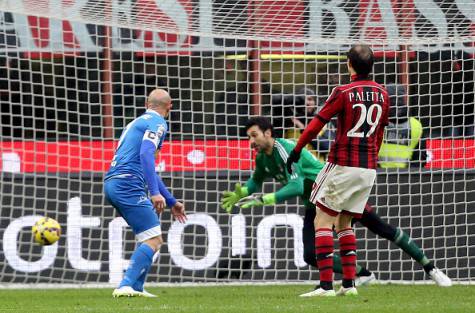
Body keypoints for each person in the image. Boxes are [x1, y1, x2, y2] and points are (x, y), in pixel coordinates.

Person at [221, 117, 451, 294]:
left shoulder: (286, 149)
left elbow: (297, 186)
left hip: (337, 192)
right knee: (311, 254)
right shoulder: (262, 157)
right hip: (315, 203)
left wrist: (265, 199)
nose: (251, 142)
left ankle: (431, 268)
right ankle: (364, 275)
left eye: (253, 136)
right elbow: (257, 179)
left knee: (382, 228)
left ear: (268, 133)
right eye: (248, 137)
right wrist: (243, 191)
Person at [286, 45, 390, 297]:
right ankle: (349, 285)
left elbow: (314, 125)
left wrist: (297, 150)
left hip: (342, 164)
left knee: (322, 219)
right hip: (367, 168)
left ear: (348, 64)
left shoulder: (342, 91)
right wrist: (372, 158)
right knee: (345, 222)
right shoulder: (384, 94)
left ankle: (325, 287)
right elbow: (380, 133)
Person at [104, 88, 187, 298]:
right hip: (128, 184)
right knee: (154, 240)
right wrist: (153, 192)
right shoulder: (158, 123)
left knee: (150, 238)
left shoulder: (135, 123)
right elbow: (146, 154)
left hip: (115, 182)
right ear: (170, 106)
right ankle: (125, 284)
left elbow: (146, 164)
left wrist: (170, 200)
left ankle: (137, 287)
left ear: (146, 103)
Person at [378, 84, 427, 168]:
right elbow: (420, 159)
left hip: (378, 175)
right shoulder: (416, 125)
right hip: (406, 177)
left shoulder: (377, 122)